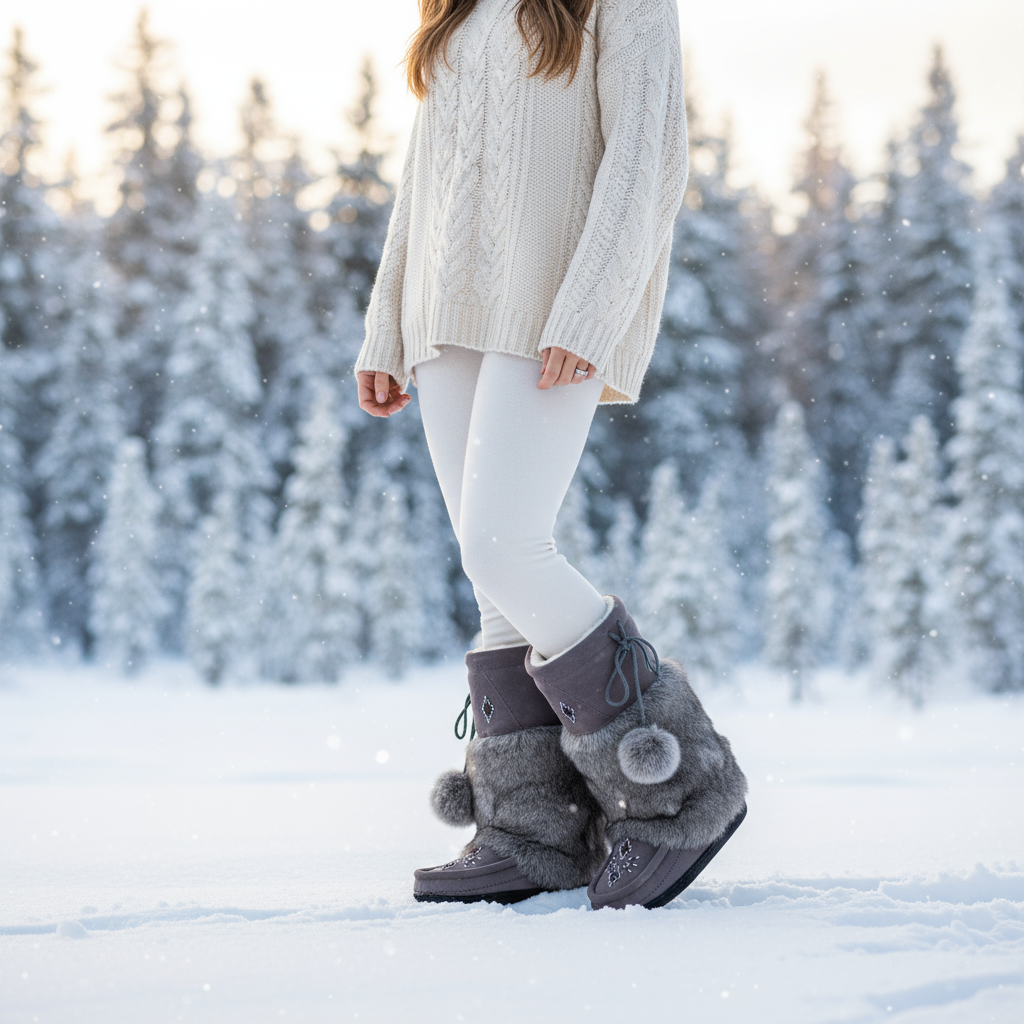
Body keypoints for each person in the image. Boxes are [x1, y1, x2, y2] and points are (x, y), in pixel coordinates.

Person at [354, 0, 746, 910]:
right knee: (491, 581)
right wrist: (384, 321)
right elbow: (423, 168)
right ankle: (532, 831)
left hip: (553, 302)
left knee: (506, 545)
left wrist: (593, 304)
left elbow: (647, 155)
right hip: (440, 310)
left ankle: (682, 790)